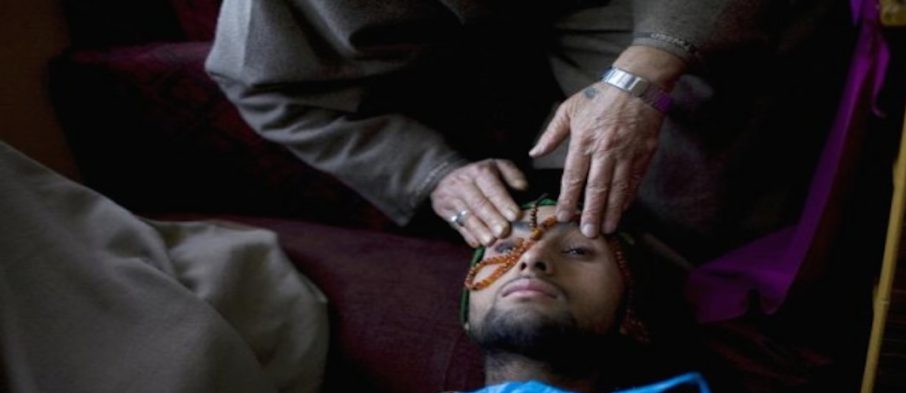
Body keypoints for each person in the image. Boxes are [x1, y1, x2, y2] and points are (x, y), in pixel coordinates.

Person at [0, 145, 839, 393]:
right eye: (502, 247)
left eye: (577, 251)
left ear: (637, 318)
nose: (533, 254)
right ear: (466, 312)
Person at [206, 0, 853, 262]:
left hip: (620, 8)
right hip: (424, 55)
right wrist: (428, 172)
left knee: (686, 160)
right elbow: (262, 84)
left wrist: (647, 68)